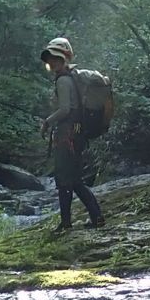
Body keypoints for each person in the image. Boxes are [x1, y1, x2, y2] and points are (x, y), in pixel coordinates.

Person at [40, 37, 105, 233]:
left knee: (65, 179)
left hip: (67, 134)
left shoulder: (63, 81)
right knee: (73, 179)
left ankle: (67, 223)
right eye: (49, 58)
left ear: (62, 60)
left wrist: (47, 122)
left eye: (54, 58)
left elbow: (65, 109)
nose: (50, 62)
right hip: (76, 134)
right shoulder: (72, 79)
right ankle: (95, 217)